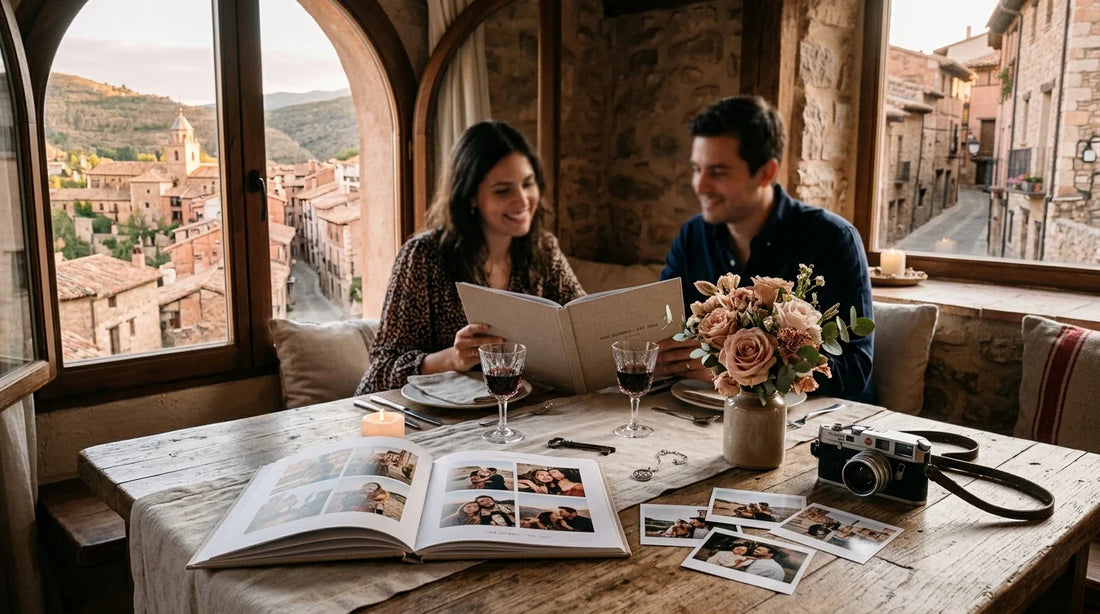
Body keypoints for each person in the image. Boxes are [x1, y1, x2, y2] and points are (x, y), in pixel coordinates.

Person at [657, 95, 874, 402]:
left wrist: (729, 369)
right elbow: (664, 333)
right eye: (697, 169)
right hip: (699, 414)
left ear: (766, 173)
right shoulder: (692, 236)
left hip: (812, 420)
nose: (700, 185)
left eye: (717, 172)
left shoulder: (834, 238)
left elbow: (855, 371)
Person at [356, 121, 585, 394]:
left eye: (528, 183)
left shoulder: (544, 250)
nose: (523, 200)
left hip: (518, 413)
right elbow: (380, 372)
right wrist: (451, 359)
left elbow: (582, 326)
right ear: (472, 197)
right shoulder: (424, 256)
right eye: (503, 190)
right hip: (429, 415)